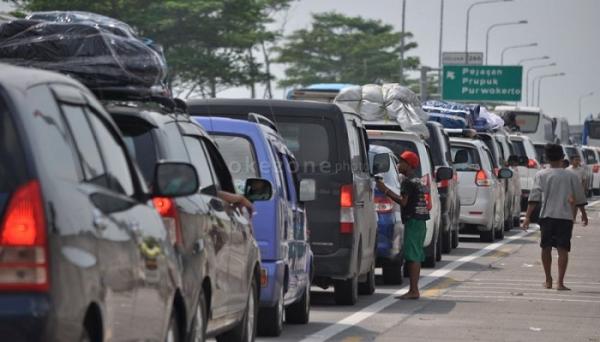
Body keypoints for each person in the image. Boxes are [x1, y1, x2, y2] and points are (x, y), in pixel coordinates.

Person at [523, 144, 588, 291]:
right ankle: (560, 282)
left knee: (545, 248)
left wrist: (527, 217)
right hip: (565, 218)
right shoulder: (571, 175)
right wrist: (583, 214)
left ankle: (548, 279)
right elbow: (579, 197)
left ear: (546, 158)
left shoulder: (541, 174)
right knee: (563, 249)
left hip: (547, 216)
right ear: (563, 158)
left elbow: (534, 197)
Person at [376, 151, 429, 300]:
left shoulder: (407, 182)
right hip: (420, 221)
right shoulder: (416, 180)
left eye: (402, 162)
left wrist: (384, 190)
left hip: (414, 220)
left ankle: (414, 290)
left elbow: (403, 202)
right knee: (415, 254)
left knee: (413, 256)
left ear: (409, 165)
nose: (398, 164)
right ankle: (413, 290)